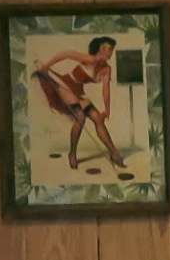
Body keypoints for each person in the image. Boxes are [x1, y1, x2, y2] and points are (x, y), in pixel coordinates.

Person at [31, 35, 132, 174]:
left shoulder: (107, 69)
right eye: (109, 49)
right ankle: (72, 153)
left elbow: (106, 90)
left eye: (112, 50)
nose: (110, 53)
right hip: (65, 86)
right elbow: (65, 54)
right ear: (102, 49)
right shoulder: (89, 59)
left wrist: (107, 110)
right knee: (80, 117)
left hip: (78, 92)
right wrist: (47, 66)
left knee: (97, 118)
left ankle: (114, 153)